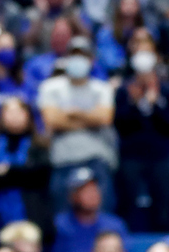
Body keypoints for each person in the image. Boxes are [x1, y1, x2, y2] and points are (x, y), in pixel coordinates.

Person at [38, 36, 118, 213]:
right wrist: (90, 119)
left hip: (96, 158)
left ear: (91, 60)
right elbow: (51, 120)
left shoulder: (102, 88)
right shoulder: (50, 87)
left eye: (83, 55)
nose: (78, 60)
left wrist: (71, 113)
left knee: (102, 214)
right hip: (63, 160)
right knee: (62, 218)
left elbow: (105, 118)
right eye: (74, 55)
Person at [113, 43, 169, 232]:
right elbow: (120, 125)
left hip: (159, 155)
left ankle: (165, 233)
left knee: (166, 191)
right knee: (127, 191)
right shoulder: (124, 92)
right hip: (131, 155)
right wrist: (134, 105)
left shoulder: (167, 92)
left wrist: (156, 103)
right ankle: (124, 232)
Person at [0, 98, 52, 236]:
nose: (14, 116)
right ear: (1, 116)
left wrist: (8, 172)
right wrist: (19, 174)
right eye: (9, 112)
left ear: (28, 115)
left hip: (32, 213)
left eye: (19, 112)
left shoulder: (40, 145)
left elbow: (38, 176)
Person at [50, 167, 128, 252]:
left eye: (94, 189)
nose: (92, 194)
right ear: (73, 196)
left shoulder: (115, 225)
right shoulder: (59, 225)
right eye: (85, 191)